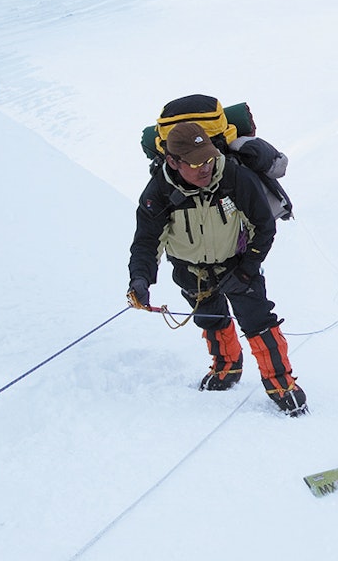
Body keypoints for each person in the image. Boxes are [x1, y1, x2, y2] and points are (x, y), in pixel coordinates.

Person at [127, 121, 308, 417]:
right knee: (210, 318)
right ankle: (227, 368)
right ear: (173, 162)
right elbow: (146, 241)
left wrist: (247, 270)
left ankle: (282, 385)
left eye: (209, 159)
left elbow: (264, 226)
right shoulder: (158, 191)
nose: (205, 168)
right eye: (195, 163)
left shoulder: (234, 177)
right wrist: (140, 278)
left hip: (237, 264)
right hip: (190, 270)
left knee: (258, 321)